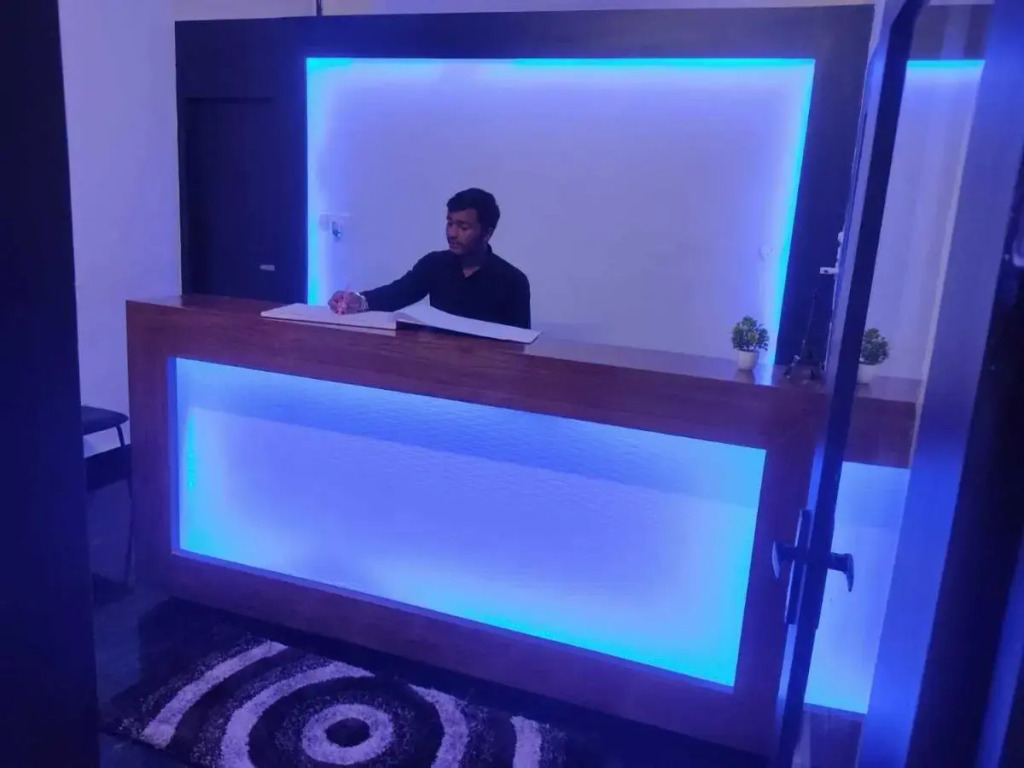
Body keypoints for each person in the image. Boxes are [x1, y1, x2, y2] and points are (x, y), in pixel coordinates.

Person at [328, 188, 532, 329]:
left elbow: (521, 345)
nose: (452, 233)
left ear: (487, 233)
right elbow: (398, 293)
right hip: (437, 365)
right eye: (450, 223)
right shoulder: (434, 264)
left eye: (463, 227)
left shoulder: (513, 281)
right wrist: (359, 300)